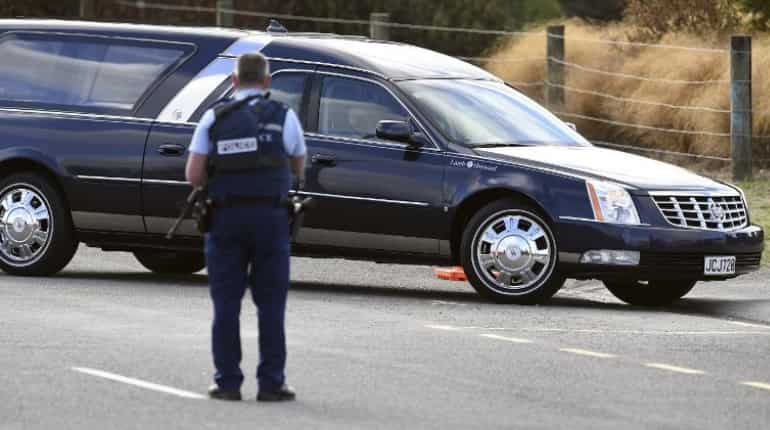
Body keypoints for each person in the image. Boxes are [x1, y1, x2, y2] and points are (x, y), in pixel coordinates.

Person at [185, 52, 306, 402]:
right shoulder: (285, 117)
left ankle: (227, 382)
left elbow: (193, 174)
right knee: (271, 306)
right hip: (270, 221)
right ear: (267, 83)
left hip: (225, 220)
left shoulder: (214, 117)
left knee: (226, 305)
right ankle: (271, 383)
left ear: (234, 81)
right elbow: (299, 166)